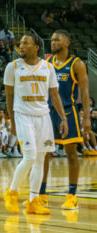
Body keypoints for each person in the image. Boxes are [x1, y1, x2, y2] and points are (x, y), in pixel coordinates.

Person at [3, 34, 66, 216]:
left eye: (25, 43)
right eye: (20, 43)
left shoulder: (48, 67)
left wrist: (62, 117)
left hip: (43, 117)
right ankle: (12, 192)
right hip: (23, 116)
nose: (21, 46)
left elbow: (54, 95)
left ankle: (33, 201)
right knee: (29, 157)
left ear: (36, 47)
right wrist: (12, 121)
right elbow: (9, 96)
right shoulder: (12, 67)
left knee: (40, 160)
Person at [40, 30, 92, 212]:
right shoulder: (46, 63)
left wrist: (86, 118)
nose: (52, 42)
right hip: (47, 113)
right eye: (52, 39)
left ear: (67, 42)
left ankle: (72, 196)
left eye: (57, 39)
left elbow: (84, 93)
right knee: (44, 155)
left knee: (71, 154)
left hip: (69, 113)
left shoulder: (77, 64)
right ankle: (41, 195)